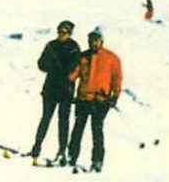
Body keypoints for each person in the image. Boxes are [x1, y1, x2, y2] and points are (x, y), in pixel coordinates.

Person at [67, 27, 123, 173]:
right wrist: (65, 79)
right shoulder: (82, 57)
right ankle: (71, 157)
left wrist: (115, 96)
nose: (93, 43)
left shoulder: (112, 58)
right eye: (90, 40)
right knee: (78, 129)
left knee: (97, 131)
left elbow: (117, 79)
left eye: (96, 40)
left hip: (100, 100)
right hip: (83, 98)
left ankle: (97, 161)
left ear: (101, 41)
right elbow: (74, 75)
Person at [29, 20, 81, 166]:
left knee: (63, 122)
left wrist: (64, 70)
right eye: (59, 31)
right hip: (50, 88)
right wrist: (51, 65)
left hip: (65, 89)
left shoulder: (74, 47)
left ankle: (62, 151)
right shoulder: (51, 46)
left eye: (64, 32)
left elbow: (74, 66)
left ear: (70, 33)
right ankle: (36, 147)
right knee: (45, 118)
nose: (61, 34)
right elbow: (41, 64)